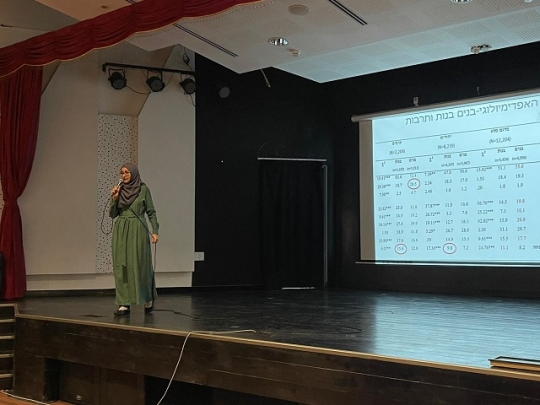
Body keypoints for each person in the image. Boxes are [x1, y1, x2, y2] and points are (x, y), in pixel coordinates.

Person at [110, 163, 159, 317]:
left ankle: (148, 298)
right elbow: (112, 214)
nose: (124, 175)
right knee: (122, 266)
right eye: (122, 172)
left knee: (140, 264)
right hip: (121, 229)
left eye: (127, 172)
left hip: (138, 229)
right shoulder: (120, 190)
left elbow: (151, 212)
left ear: (134, 174)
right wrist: (114, 198)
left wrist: (155, 231)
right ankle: (124, 302)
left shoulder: (143, 189)